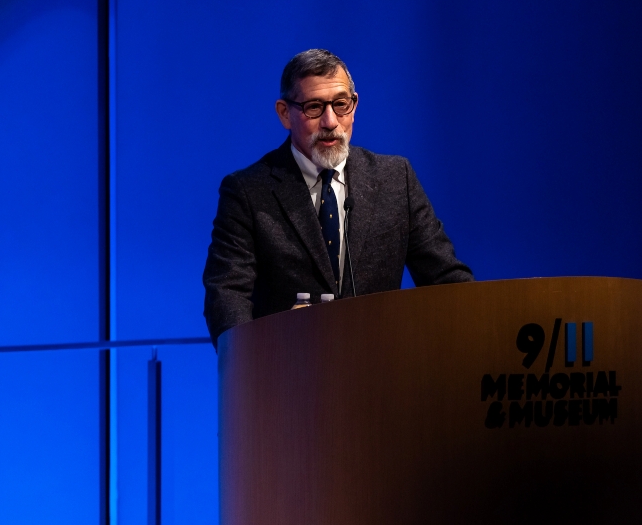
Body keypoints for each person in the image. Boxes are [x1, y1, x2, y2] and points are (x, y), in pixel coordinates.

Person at [202, 48, 472, 346]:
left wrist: (488, 328)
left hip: (380, 373)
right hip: (286, 374)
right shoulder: (248, 191)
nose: (330, 122)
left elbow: (445, 279)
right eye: (315, 107)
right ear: (284, 113)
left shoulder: (396, 178)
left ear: (354, 106)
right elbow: (227, 295)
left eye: (340, 104)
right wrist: (254, 360)